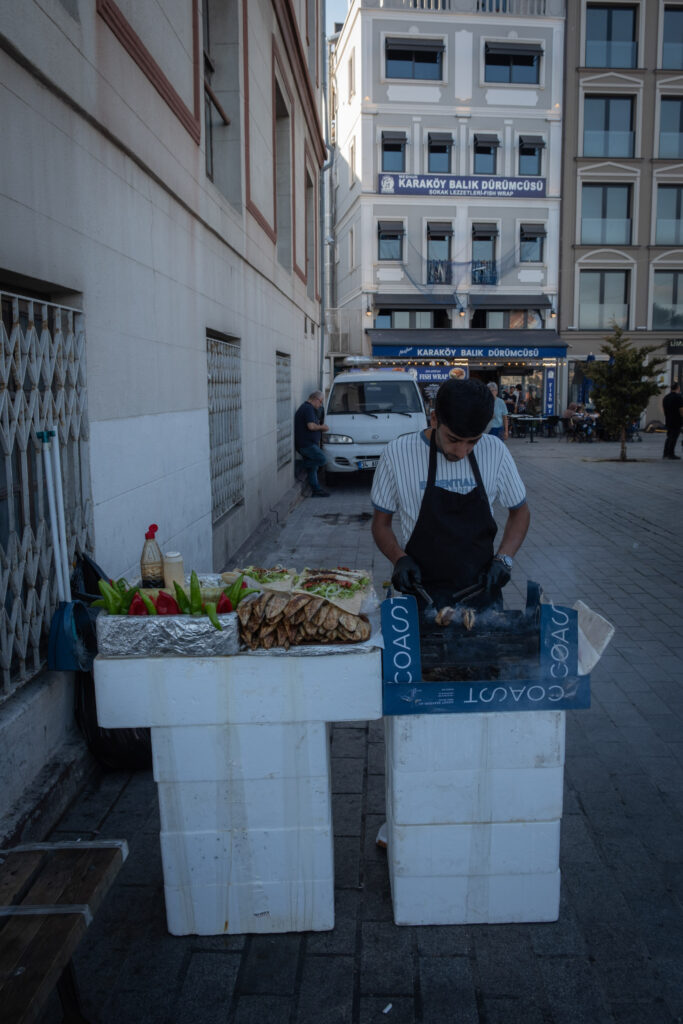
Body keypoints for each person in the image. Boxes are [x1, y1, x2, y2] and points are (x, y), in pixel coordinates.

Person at [370, 378, 530, 612]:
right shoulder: (397, 454)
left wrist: (504, 559)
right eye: (453, 439)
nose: (462, 451)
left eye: (472, 442)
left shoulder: (495, 451)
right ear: (434, 419)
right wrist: (398, 559)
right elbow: (380, 524)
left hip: (482, 593)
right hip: (422, 595)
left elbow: (520, 511)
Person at [294, 390, 330, 495]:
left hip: (309, 443)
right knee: (322, 460)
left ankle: (316, 490)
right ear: (315, 399)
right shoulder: (307, 408)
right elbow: (311, 426)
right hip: (306, 445)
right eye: (321, 401)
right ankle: (300, 465)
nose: (321, 404)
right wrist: (322, 427)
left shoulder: (309, 408)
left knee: (313, 467)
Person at [662, 381, 683, 460]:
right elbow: (681, 410)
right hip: (677, 420)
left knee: (669, 437)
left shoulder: (666, 397)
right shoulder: (678, 397)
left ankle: (665, 453)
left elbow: (664, 409)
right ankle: (671, 454)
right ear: (678, 388)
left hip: (668, 420)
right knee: (674, 437)